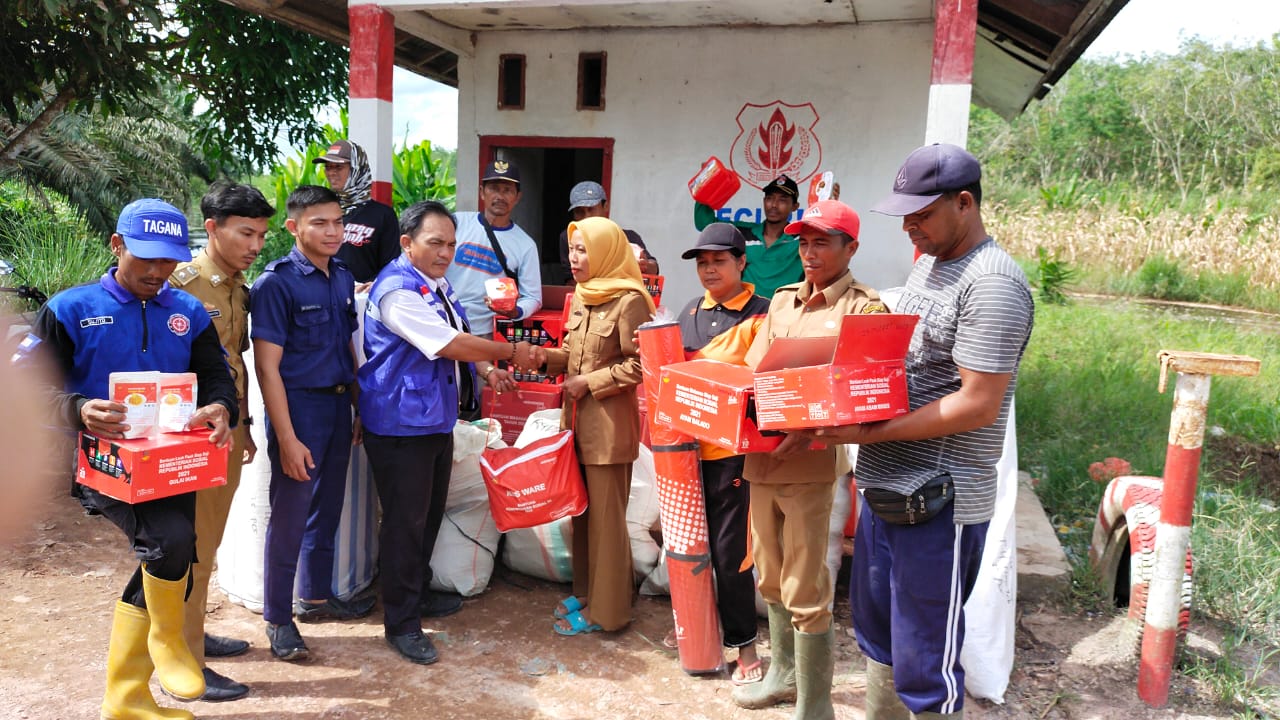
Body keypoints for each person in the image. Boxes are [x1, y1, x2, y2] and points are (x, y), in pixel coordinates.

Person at [806, 144, 1034, 720]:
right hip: (890, 489)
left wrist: (871, 433)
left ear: (965, 203)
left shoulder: (993, 284)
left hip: (940, 501)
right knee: (880, 635)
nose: (909, 225)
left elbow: (977, 405)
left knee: (926, 660)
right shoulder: (932, 262)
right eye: (903, 213)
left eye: (922, 213)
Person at [22, 198, 237, 719]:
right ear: (116, 246)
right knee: (169, 543)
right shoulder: (70, 308)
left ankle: (127, 699)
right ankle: (165, 646)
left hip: (174, 459)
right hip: (103, 461)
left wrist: (220, 407)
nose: (158, 271)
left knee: (174, 554)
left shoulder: (187, 312)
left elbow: (216, 376)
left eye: (168, 260)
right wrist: (79, 409)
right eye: (146, 259)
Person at [358, 200, 542, 664]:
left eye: (451, 244)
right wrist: (508, 352)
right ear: (407, 243)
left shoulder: (435, 285)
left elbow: (457, 332)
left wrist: (485, 369)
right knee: (404, 523)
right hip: (400, 423)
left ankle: (416, 592)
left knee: (428, 516)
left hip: (433, 418)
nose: (445, 253)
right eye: (435, 243)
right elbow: (446, 343)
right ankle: (400, 622)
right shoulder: (398, 290)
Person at [734, 199, 888, 719]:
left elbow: (865, 391)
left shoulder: (865, 309)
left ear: (851, 248)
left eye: (821, 241)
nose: (809, 252)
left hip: (812, 465)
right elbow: (757, 375)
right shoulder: (781, 302)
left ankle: (815, 704)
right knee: (770, 576)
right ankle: (783, 675)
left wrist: (812, 427)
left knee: (807, 586)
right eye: (803, 241)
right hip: (764, 459)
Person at [251, 185, 373, 663]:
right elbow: (267, 368)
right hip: (297, 409)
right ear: (293, 227)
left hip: (338, 406)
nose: (332, 231)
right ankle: (278, 618)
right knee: (290, 516)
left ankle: (317, 598)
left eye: (338, 222)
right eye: (319, 222)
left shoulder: (342, 276)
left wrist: (359, 405)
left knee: (327, 507)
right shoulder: (275, 283)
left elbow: (348, 345)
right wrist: (286, 437)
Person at [168, 183, 272, 701]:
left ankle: (191, 634)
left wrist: (246, 426)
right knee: (191, 547)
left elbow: (233, 364)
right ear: (212, 228)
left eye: (261, 235)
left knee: (206, 545)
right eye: (245, 233)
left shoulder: (236, 286)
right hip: (189, 438)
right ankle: (185, 660)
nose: (256, 245)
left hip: (225, 433)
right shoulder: (181, 284)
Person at [540, 217, 654, 636]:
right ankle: (588, 593)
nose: (574, 258)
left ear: (606, 251)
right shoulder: (583, 296)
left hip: (608, 428)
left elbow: (642, 364)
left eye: (583, 249)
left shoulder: (630, 301)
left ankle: (608, 613)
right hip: (576, 425)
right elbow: (570, 352)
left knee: (606, 522)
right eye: (572, 249)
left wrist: (589, 382)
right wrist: (535, 358)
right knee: (582, 517)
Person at [674, 223, 769, 684]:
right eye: (702, 262)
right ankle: (697, 631)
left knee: (732, 551)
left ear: (741, 263)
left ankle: (744, 643)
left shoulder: (761, 314)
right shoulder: (689, 311)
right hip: (684, 453)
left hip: (733, 452)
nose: (709, 269)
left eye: (719, 260)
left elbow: (763, 385)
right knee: (690, 547)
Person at [445, 160, 543, 337]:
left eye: (507, 190)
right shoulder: (457, 223)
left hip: (487, 333)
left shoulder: (526, 245)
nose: (500, 196)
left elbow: (533, 298)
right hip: (445, 324)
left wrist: (515, 311)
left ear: (517, 197)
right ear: (482, 193)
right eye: (494, 188)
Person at [694, 174, 802, 298]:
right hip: (748, 313)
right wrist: (706, 182)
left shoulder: (801, 239)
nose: (774, 205)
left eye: (782, 200)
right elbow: (705, 224)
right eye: (769, 198)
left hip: (786, 312)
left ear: (795, 206)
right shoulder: (742, 233)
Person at [313, 139, 401, 284]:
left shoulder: (382, 215)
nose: (332, 173)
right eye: (328, 167)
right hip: (322, 296)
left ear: (356, 169)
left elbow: (391, 266)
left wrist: (376, 283)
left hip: (361, 300)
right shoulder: (319, 210)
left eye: (338, 167)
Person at [557, 181, 659, 281]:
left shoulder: (627, 237)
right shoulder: (568, 237)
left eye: (591, 209)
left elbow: (654, 269)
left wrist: (642, 264)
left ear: (606, 206)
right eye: (579, 211)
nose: (586, 216)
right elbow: (570, 280)